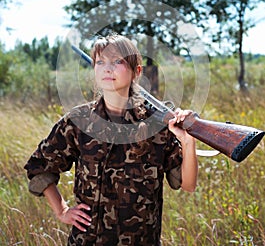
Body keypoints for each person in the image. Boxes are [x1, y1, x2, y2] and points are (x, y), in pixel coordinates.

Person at [24, 33, 198, 246]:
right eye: (100, 62)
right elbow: (39, 166)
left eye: (118, 61)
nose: (108, 68)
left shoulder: (157, 126)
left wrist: (188, 141)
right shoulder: (78, 121)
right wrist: (62, 211)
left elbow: (188, 184)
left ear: (137, 72)